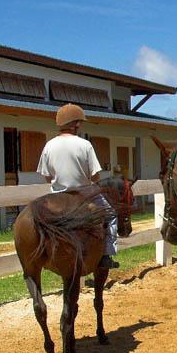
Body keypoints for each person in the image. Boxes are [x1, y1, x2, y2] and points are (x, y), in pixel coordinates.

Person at [37, 103, 119, 268]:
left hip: (58, 196)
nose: (80, 125)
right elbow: (95, 176)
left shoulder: (49, 145)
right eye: (79, 122)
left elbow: (47, 176)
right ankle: (106, 255)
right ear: (75, 124)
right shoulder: (85, 145)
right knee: (111, 216)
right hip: (84, 195)